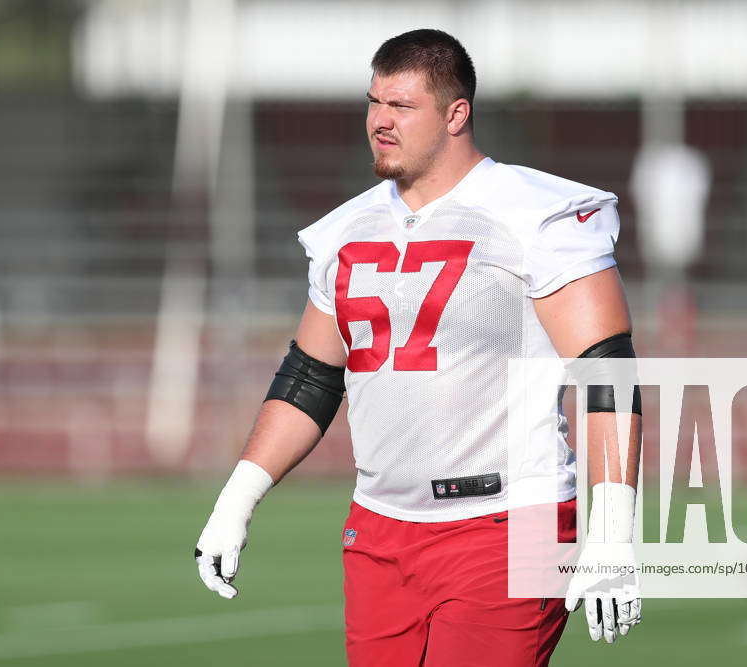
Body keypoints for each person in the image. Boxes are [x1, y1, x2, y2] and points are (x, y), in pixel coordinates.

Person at [195, 28, 643, 666]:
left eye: (402, 106)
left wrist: (612, 532)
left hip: (508, 520)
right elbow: (311, 378)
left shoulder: (534, 215)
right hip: (380, 528)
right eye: (374, 103)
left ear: (456, 114)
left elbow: (607, 374)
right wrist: (236, 500)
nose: (380, 121)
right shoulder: (347, 229)